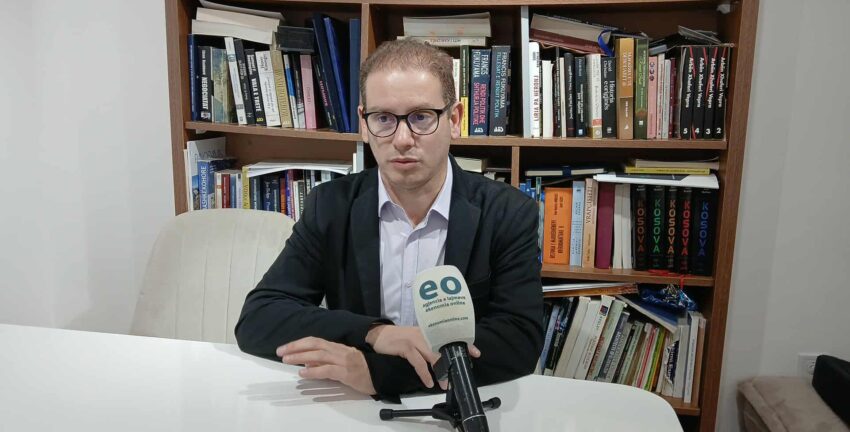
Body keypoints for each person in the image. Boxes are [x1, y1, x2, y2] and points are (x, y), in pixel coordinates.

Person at [235, 39, 543, 400]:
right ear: (364, 125)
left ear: (454, 120)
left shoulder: (507, 212)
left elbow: (518, 342)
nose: (402, 139)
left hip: (454, 406)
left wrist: (380, 373)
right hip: (353, 409)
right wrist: (374, 333)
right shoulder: (331, 205)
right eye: (383, 118)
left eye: (421, 117)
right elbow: (260, 318)